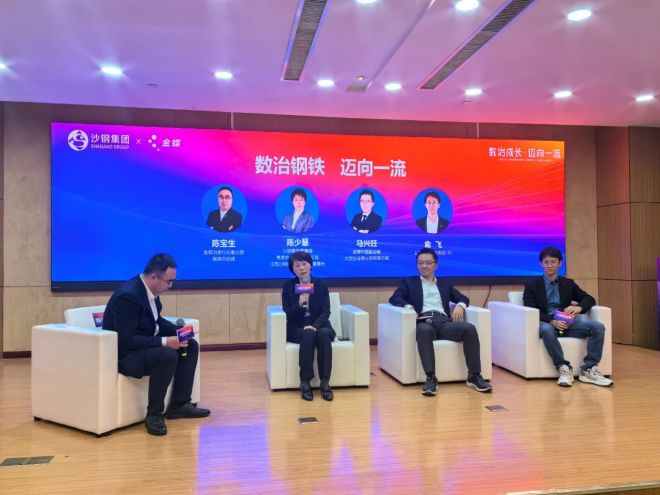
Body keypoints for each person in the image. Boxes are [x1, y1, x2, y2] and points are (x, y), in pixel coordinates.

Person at [102, 253, 210, 435]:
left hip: (143, 347)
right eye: (169, 281)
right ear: (154, 277)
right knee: (167, 354)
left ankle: (179, 404)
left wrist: (178, 332)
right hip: (126, 355)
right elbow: (126, 339)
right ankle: (154, 414)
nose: (170, 286)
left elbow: (155, 321)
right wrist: (166, 341)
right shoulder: (128, 296)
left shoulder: (151, 291)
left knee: (190, 345)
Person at [389, 248, 492, 396]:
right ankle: (431, 378)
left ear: (435, 265)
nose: (424, 266)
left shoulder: (444, 283)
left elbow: (463, 298)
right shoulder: (409, 282)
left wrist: (460, 306)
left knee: (469, 329)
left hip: (444, 323)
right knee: (424, 331)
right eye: (420, 263)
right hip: (424, 321)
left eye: (428, 262)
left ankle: (474, 376)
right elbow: (395, 298)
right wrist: (409, 307)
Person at [523, 246, 613, 387]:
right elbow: (531, 309)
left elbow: (589, 299)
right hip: (547, 323)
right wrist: (552, 321)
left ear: (560, 263)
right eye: (546, 262)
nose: (549, 265)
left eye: (553, 262)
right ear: (541, 264)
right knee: (547, 329)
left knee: (598, 327)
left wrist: (579, 307)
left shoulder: (568, 283)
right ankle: (564, 368)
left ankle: (588, 369)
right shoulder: (532, 285)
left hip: (567, 324)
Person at [281, 251, 335, 401]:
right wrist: (298, 304)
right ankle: (305, 382)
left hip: (320, 325)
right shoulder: (288, 286)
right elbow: (287, 314)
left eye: (304, 264)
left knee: (323, 334)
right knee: (308, 334)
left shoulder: (321, 285)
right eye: (297, 265)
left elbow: (326, 311)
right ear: (292, 269)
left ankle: (325, 383)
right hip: (298, 328)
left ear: (310, 265)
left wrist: (315, 326)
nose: (301, 268)